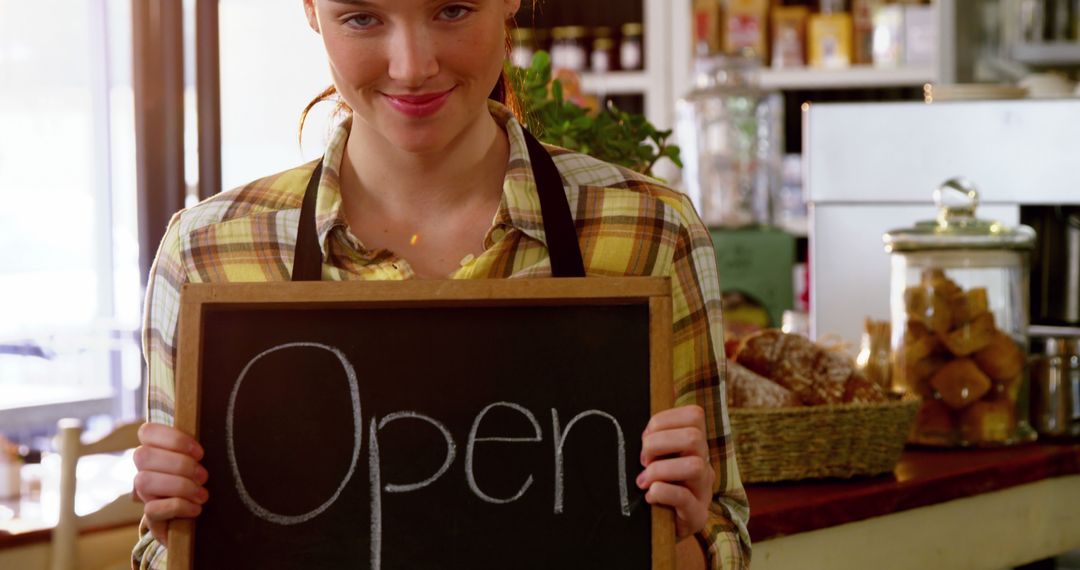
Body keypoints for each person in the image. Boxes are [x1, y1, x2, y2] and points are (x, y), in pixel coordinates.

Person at [131, 0, 751, 568]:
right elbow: (159, 553)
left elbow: (721, 537)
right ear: (312, 10)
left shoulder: (650, 231)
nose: (413, 66)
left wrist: (681, 534)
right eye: (362, 18)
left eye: (452, 9)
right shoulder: (206, 252)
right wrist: (177, 535)